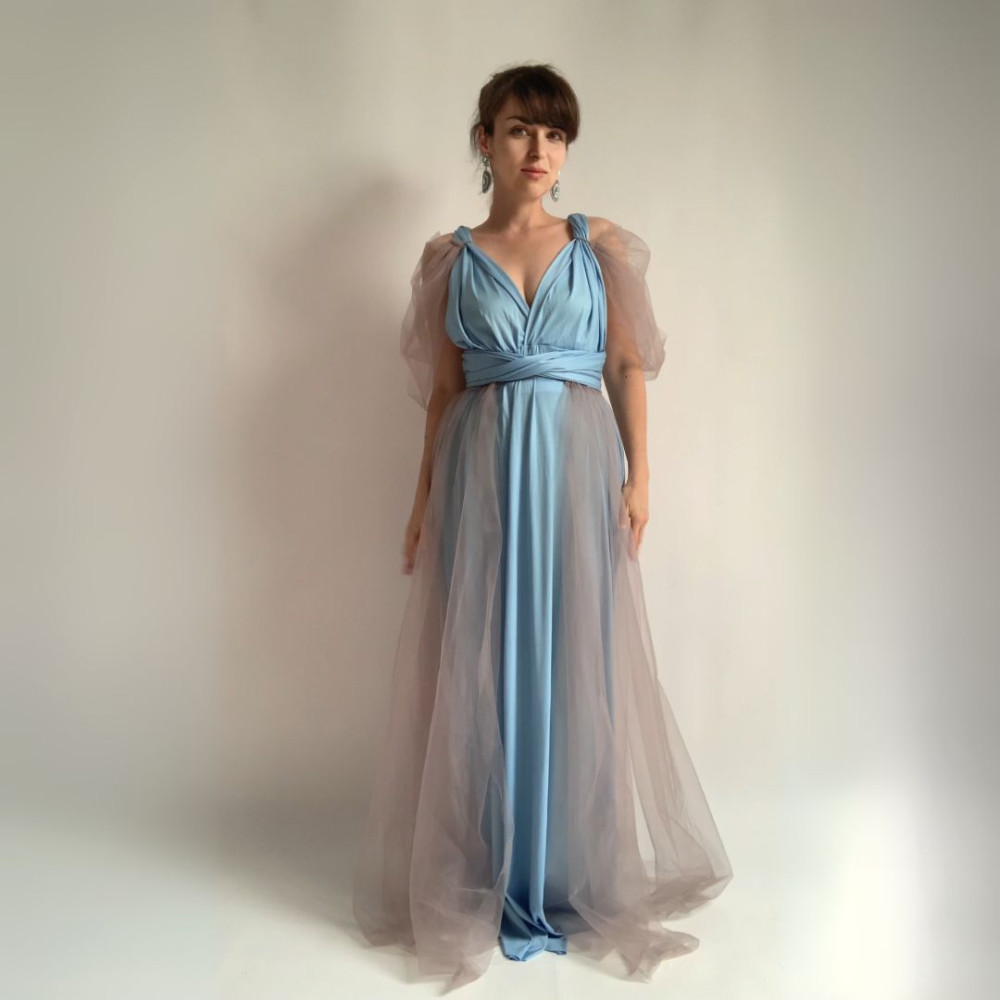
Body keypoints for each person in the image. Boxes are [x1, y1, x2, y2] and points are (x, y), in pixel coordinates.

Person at [352, 63, 732, 990]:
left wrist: (641, 477)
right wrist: (420, 501)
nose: (540, 150)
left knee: (574, 654)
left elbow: (626, 366)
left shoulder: (597, 247)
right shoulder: (451, 259)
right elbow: (444, 393)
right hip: (480, 477)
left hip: (575, 472)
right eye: (521, 129)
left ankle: (566, 868)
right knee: (483, 659)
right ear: (485, 141)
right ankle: (490, 866)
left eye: (556, 134)